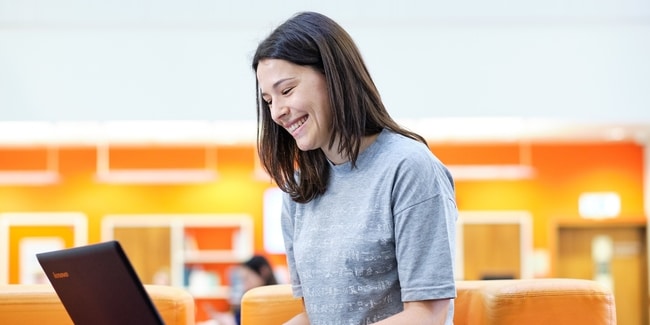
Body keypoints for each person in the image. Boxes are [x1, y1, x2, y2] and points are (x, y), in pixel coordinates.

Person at [252, 11, 458, 325]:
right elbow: (316, 315)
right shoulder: (298, 191)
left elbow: (427, 315)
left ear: (333, 76)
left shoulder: (409, 169)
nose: (277, 112)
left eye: (287, 91)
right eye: (268, 100)